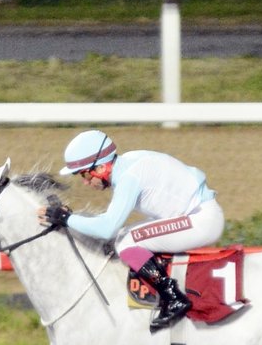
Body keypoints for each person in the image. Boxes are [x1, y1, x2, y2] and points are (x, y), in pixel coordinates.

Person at [38, 129, 224, 331]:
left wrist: (66, 219)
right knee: (123, 237)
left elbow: (106, 228)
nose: (85, 182)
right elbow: (108, 223)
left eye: (84, 174)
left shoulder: (128, 178)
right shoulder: (128, 164)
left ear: (101, 168)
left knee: (126, 242)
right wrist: (72, 219)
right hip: (197, 215)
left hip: (201, 220)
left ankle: (173, 297)